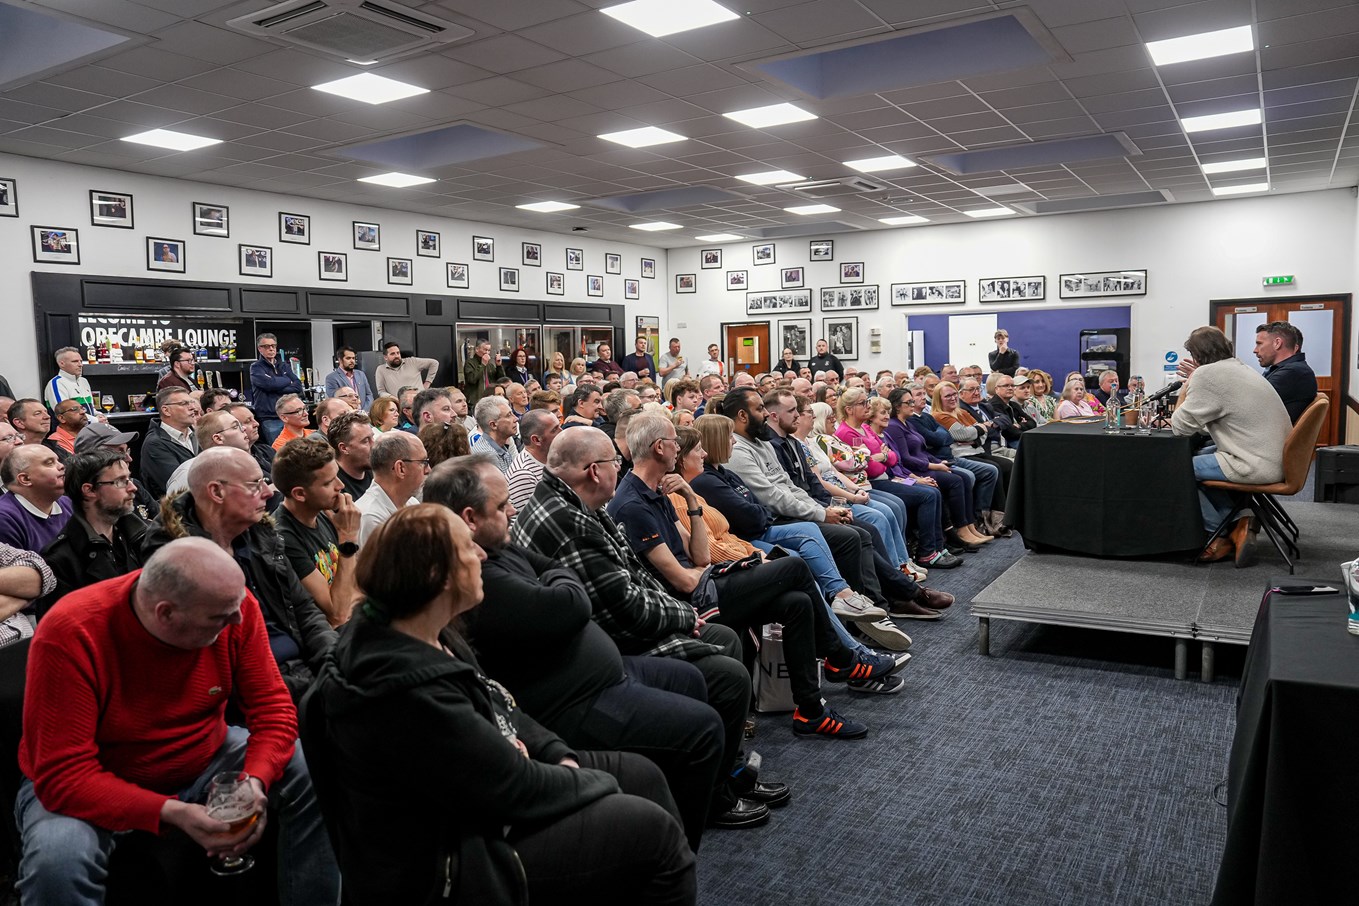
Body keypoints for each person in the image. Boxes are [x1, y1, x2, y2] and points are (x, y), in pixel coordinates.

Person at [299, 505, 695, 905]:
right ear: (438, 577)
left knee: (643, 776)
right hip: (455, 858)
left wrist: (558, 755)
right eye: (469, 549)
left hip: (484, 798)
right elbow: (516, 788)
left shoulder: (424, 628)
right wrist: (594, 783)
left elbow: (498, 700)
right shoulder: (402, 688)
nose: (483, 555)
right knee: (652, 833)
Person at [17, 538, 340, 905]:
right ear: (165, 613)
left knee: (312, 765)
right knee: (57, 862)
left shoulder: (232, 603)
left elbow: (273, 711)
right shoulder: (72, 630)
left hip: (206, 755)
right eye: (219, 618)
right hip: (99, 776)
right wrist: (172, 812)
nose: (237, 620)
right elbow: (63, 775)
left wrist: (254, 781)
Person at [425, 457, 726, 850]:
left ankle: (679, 813)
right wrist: (556, 582)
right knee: (703, 727)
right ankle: (673, 847)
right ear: (470, 518)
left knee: (693, 679)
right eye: (501, 507)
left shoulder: (495, 546)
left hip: (600, 672)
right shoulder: (480, 573)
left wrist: (554, 581)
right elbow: (571, 601)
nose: (513, 509)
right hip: (570, 699)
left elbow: (556, 576)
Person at [513, 427, 779, 830]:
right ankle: (715, 798)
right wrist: (684, 617)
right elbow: (625, 606)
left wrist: (680, 612)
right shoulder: (574, 521)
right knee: (728, 673)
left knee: (726, 635)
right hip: (607, 646)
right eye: (612, 464)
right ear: (593, 471)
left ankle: (728, 773)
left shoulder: (579, 504)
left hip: (615, 627)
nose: (618, 470)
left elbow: (637, 578)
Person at [612, 414, 897, 738]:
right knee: (792, 566)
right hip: (690, 603)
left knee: (797, 602)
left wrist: (691, 501)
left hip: (705, 583)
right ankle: (842, 658)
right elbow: (683, 581)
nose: (679, 447)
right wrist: (711, 570)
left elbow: (700, 557)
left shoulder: (659, 490)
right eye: (674, 441)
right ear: (659, 447)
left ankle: (811, 712)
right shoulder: (632, 504)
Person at [1171, 326, 1290, 565]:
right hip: (1276, 458)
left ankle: (1221, 533)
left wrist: (1187, 384)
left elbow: (1179, 427)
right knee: (1201, 454)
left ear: (1196, 357)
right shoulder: (1240, 368)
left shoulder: (1207, 375)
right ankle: (1239, 521)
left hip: (1255, 463)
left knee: (1175, 469)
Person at [835, 388, 958, 568]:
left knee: (933, 490)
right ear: (849, 409)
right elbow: (870, 467)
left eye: (867, 402)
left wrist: (882, 458)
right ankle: (921, 554)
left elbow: (894, 458)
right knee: (926, 495)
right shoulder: (848, 433)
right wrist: (883, 458)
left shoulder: (866, 428)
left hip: (891, 476)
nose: (867, 406)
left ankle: (930, 550)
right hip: (874, 482)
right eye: (863, 403)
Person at [37, 449, 148, 616]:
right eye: (120, 481)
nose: (132, 488)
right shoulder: (60, 558)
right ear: (89, 490)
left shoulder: (141, 535)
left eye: (129, 478)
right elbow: (64, 627)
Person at [882, 389, 991, 548]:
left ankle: (970, 526)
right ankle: (961, 529)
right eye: (909, 402)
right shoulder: (894, 426)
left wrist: (940, 462)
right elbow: (905, 458)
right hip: (915, 470)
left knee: (965, 477)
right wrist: (934, 465)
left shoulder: (908, 423)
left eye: (913, 401)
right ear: (897, 406)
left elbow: (927, 447)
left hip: (927, 463)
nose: (913, 405)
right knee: (955, 481)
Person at [273, 437, 361, 627]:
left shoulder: (324, 514)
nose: (341, 486)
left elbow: (359, 584)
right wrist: (348, 540)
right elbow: (336, 615)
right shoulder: (282, 538)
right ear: (300, 494)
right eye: (329, 483)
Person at [355, 431, 427, 545]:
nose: (428, 470)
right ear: (400, 468)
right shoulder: (370, 517)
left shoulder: (411, 503)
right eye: (423, 462)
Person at [163, 408, 251, 497]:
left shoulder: (242, 466)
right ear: (218, 438)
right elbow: (175, 509)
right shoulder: (189, 474)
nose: (243, 428)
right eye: (235, 426)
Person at [0, 445, 72, 553]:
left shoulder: (69, 504)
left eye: (58, 461)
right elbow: (18, 568)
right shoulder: (5, 518)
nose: (61, 466)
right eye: (49, 463)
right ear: (25, 479)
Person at [1254, 320, 1317, 423]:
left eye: (1259, 344)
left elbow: (1251, 401)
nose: (1255, 350)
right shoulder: (1287, 369)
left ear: (1277, 343)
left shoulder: (1294, 372)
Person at [249, 333, 304, 445]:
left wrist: (276, 385)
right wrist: (287, 380)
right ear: (260, 349)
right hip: (270, 417)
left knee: (296, 448)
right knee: (278, 451)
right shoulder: (256, 368)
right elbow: (269, 385)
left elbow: (298, 386)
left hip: (289, 416)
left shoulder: (284, 366)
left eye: (273, 346)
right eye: (267, 346)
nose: (271, 349)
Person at [506, 408, 560, 512]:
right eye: (554, 430)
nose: (561, 432)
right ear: (536, 440)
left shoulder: (552, 456)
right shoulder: (523, 475)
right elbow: (535, 522)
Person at [326, 409, 374, 499]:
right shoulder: (335, 487)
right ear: (344, 448)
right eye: (366, 441)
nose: (374, 445)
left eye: (372, 437)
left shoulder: (377, 473)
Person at [374, 339, 439, 400]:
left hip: (419, 402)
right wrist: (395, 400)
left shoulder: (412, 362)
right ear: (385, 357)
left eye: (398, 353)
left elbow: (434, 363)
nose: (396, 356)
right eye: (392, 354)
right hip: (398, 405)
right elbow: (381, 392)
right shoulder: (381, 370)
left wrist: (427, 383)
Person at [42, 347, 97, 416]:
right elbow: (65, 414)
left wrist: (99, 416)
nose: (80, 365)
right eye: (75, 361)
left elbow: (92, 409)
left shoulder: (84, 381)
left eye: (81, 361)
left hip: (89, 425)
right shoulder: (56, 383)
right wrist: (95, 420)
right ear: (62, 364)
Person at [470, 396, 519, 472]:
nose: (516, 419)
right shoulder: (487, 457)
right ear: (493, 425)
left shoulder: (499, 446)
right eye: (509, 415)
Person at [460, 339, 506, 407]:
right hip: (475, 400)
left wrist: (499, 366)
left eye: (489, 350)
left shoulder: (490, 365)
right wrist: (482, 365)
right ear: (477, 349)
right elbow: (472, 379)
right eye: (485, 350)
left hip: (490, 400)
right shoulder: (470, 363)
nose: (487, 353)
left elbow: (501, 380)